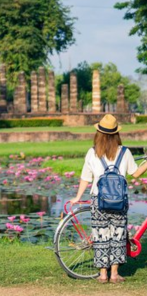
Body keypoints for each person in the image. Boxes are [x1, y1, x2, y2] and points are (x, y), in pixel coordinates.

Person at [70, 114, 147, 284]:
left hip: (99, 199)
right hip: (119, 201)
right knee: (118, 235)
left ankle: (102, 275)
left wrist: (77, 197)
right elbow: (135, 173)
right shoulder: (125, 152)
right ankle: (114, 274)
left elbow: (85, 177)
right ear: (116, 134)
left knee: (100, 235)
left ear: (99, 133)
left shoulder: (92, 152)